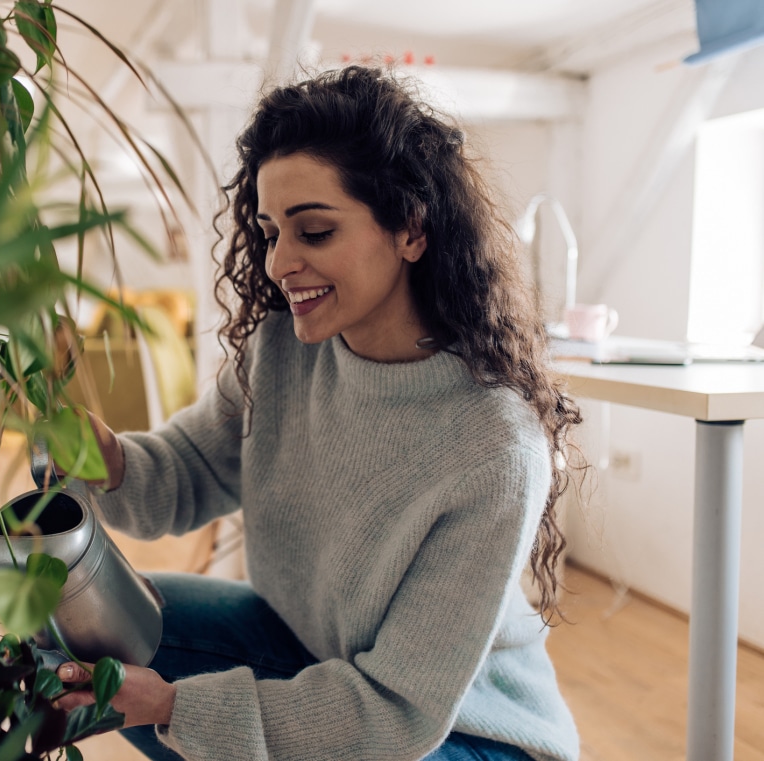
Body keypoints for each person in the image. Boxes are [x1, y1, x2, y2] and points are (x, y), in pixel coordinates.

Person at [54, 65, 583, 761]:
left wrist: (179, 708)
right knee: (81, 628)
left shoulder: (494, 449)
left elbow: (396, 712)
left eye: (314, 231)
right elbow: (187, 472)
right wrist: (108, 458)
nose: (278, 262)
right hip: (311, 647)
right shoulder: (283, 352)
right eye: (272, 232)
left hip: (465, 730)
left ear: (412, 229)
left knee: (178, 711)